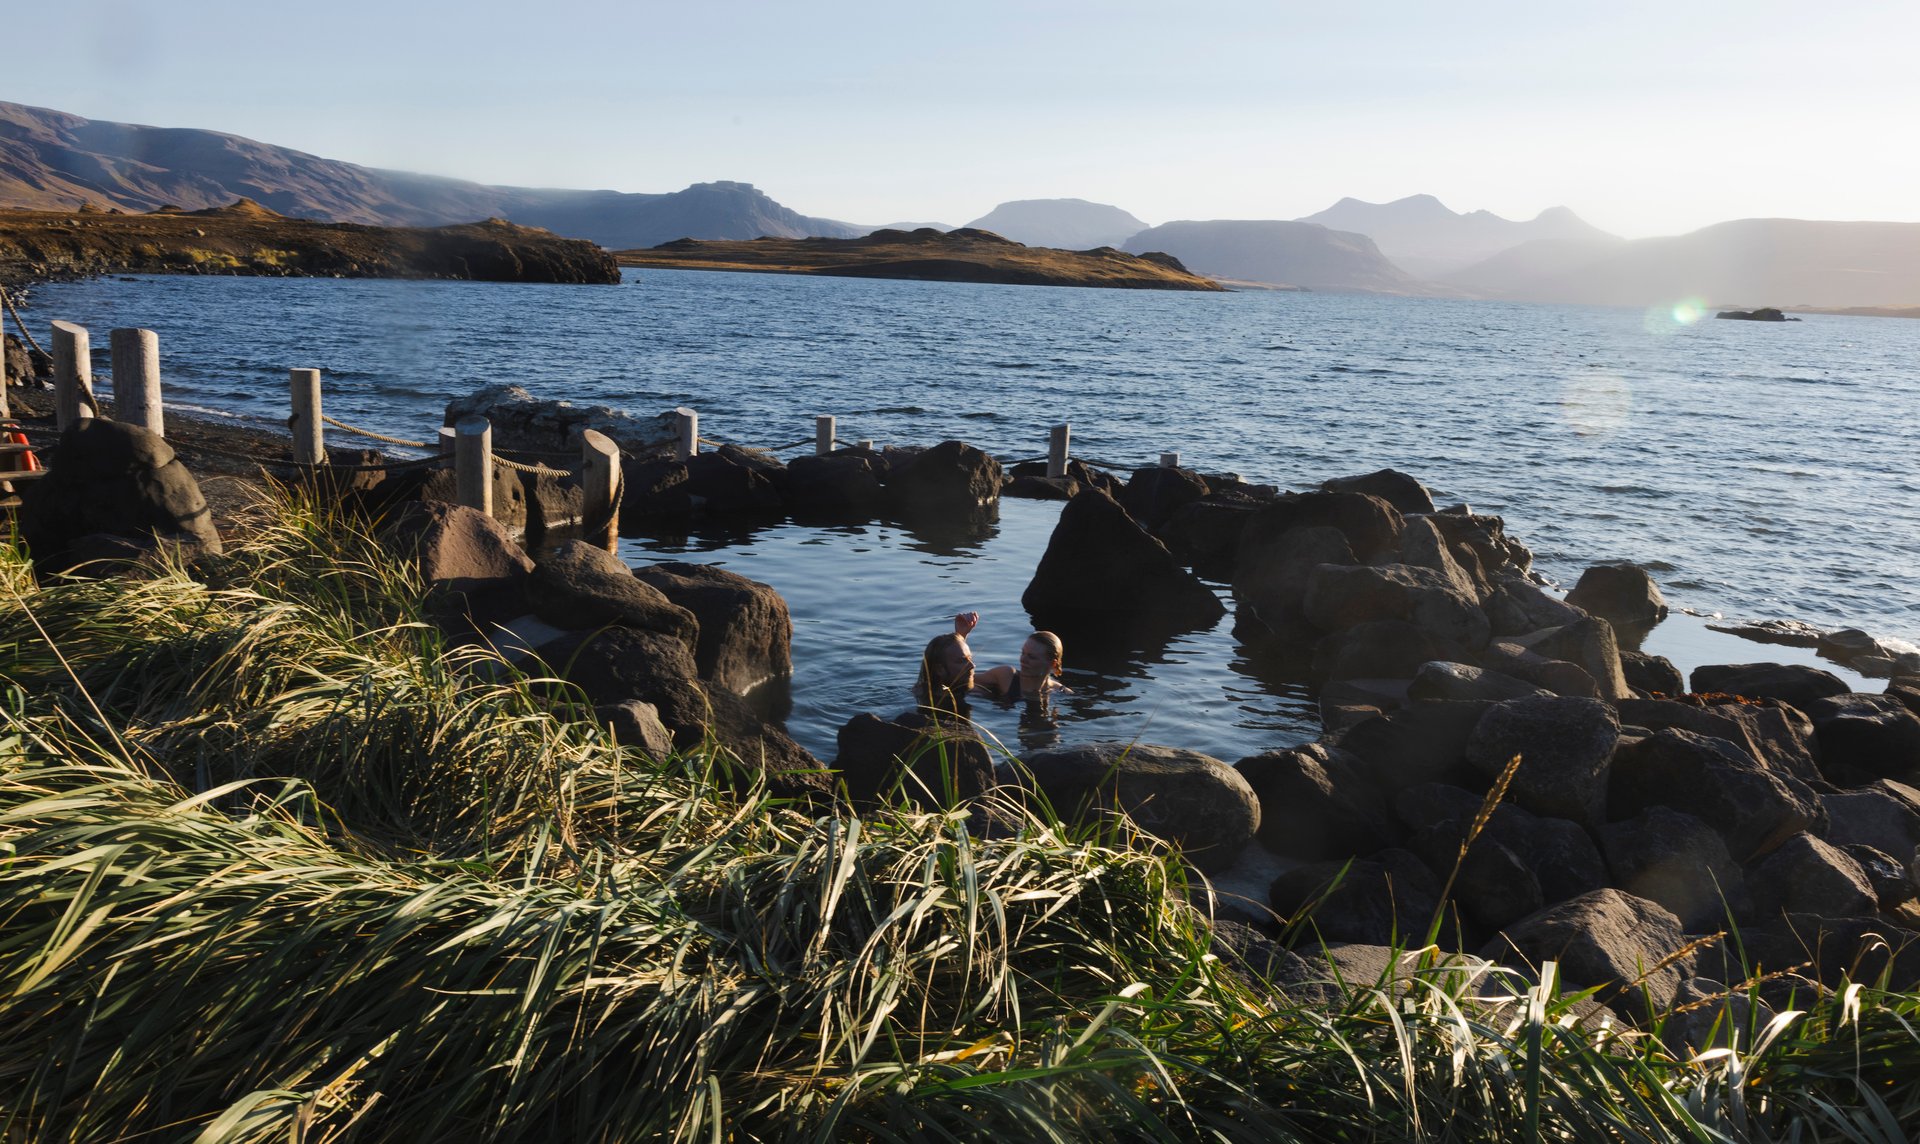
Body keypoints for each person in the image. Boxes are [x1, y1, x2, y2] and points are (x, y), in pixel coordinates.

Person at [949, 612, 1069, 702]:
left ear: (1052, 664)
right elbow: (960, 681)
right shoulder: (1006, 676)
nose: (1023, 660)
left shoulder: (1059, 691)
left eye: (1032, 657)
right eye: (1023, 653)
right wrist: (961, 635)